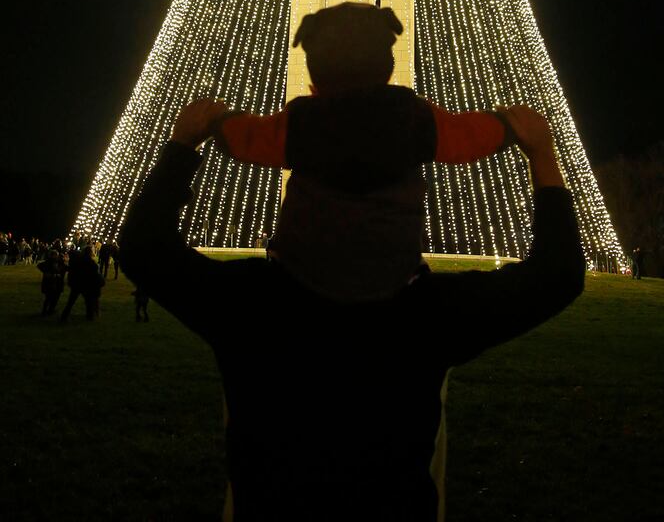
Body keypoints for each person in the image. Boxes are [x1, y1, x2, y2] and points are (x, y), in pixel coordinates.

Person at [121, 40, 584, 521]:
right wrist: (542, 156)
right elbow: (559, 275)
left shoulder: (252, 304)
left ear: (300, 186)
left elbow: (143, 247)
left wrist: (182, 143)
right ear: (409, 195)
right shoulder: (429, 316)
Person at [204, 3, 518, 301]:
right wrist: (506, 125)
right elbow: (464, 137)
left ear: (315, 65)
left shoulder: (304, 119)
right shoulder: (412, 114)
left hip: (306, 274)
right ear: (386, 62)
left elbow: (250, 139)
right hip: (393, 273)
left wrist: (218, 122)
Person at [37, 249, 66, 315]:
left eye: (56, 255)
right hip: (50, 283)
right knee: (49, 298)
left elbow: (65, 268)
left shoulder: (59, 262)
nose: (56, 256)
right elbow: (40, 266)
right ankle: (45, 311)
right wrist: (48, 273)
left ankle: (51, 310)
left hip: (58, 283)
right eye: (55, 255)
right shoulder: (48, 262)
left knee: (55, 298)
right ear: (52, 255)